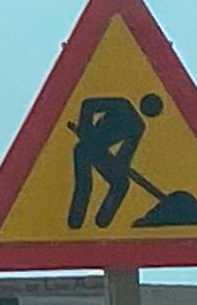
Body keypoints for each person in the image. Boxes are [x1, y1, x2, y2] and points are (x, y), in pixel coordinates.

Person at [69, 93, 161, 229]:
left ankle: (102, 223)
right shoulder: (122, 105)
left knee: (121, 183)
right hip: (85, 148)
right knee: (85, 185)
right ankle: (75, 223)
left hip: (101, 153)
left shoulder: (138, 126)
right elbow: (88, 104)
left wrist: (121, 167)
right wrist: (85, 128)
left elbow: (125, 154)